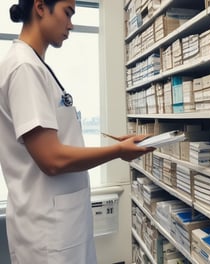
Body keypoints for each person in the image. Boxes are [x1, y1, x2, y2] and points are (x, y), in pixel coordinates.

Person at [0, 0, 154, 263]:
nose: (71, 24)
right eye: (67, 13)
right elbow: (51, 159)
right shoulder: (25, 68)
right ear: (40, 7)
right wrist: (118, 151)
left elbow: (57, 144)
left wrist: (116, 144)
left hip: (59, 225)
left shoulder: (34, 65)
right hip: (47, 233)